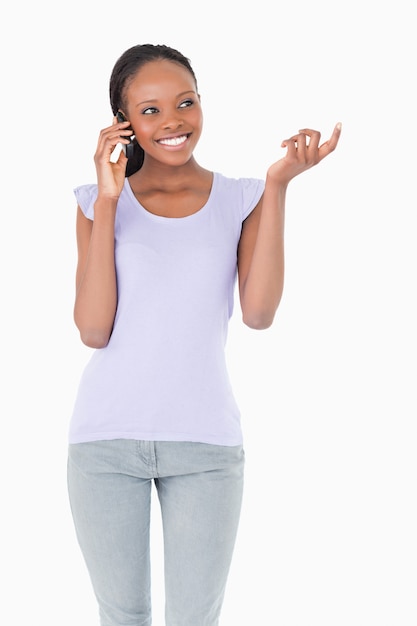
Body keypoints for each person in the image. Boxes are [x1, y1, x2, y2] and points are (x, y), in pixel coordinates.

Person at [67, 43, 341, 626]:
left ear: (201, 105)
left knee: (196, 618)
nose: (172, 121)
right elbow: (93, 328)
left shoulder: (243, 198)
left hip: (206, 446)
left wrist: (280, 184)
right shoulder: (96, 204)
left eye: (184, 103)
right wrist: (112, 201)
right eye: (149, 111)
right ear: (124, 125)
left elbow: (260, 312)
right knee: (122, 616)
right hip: (104, 444)